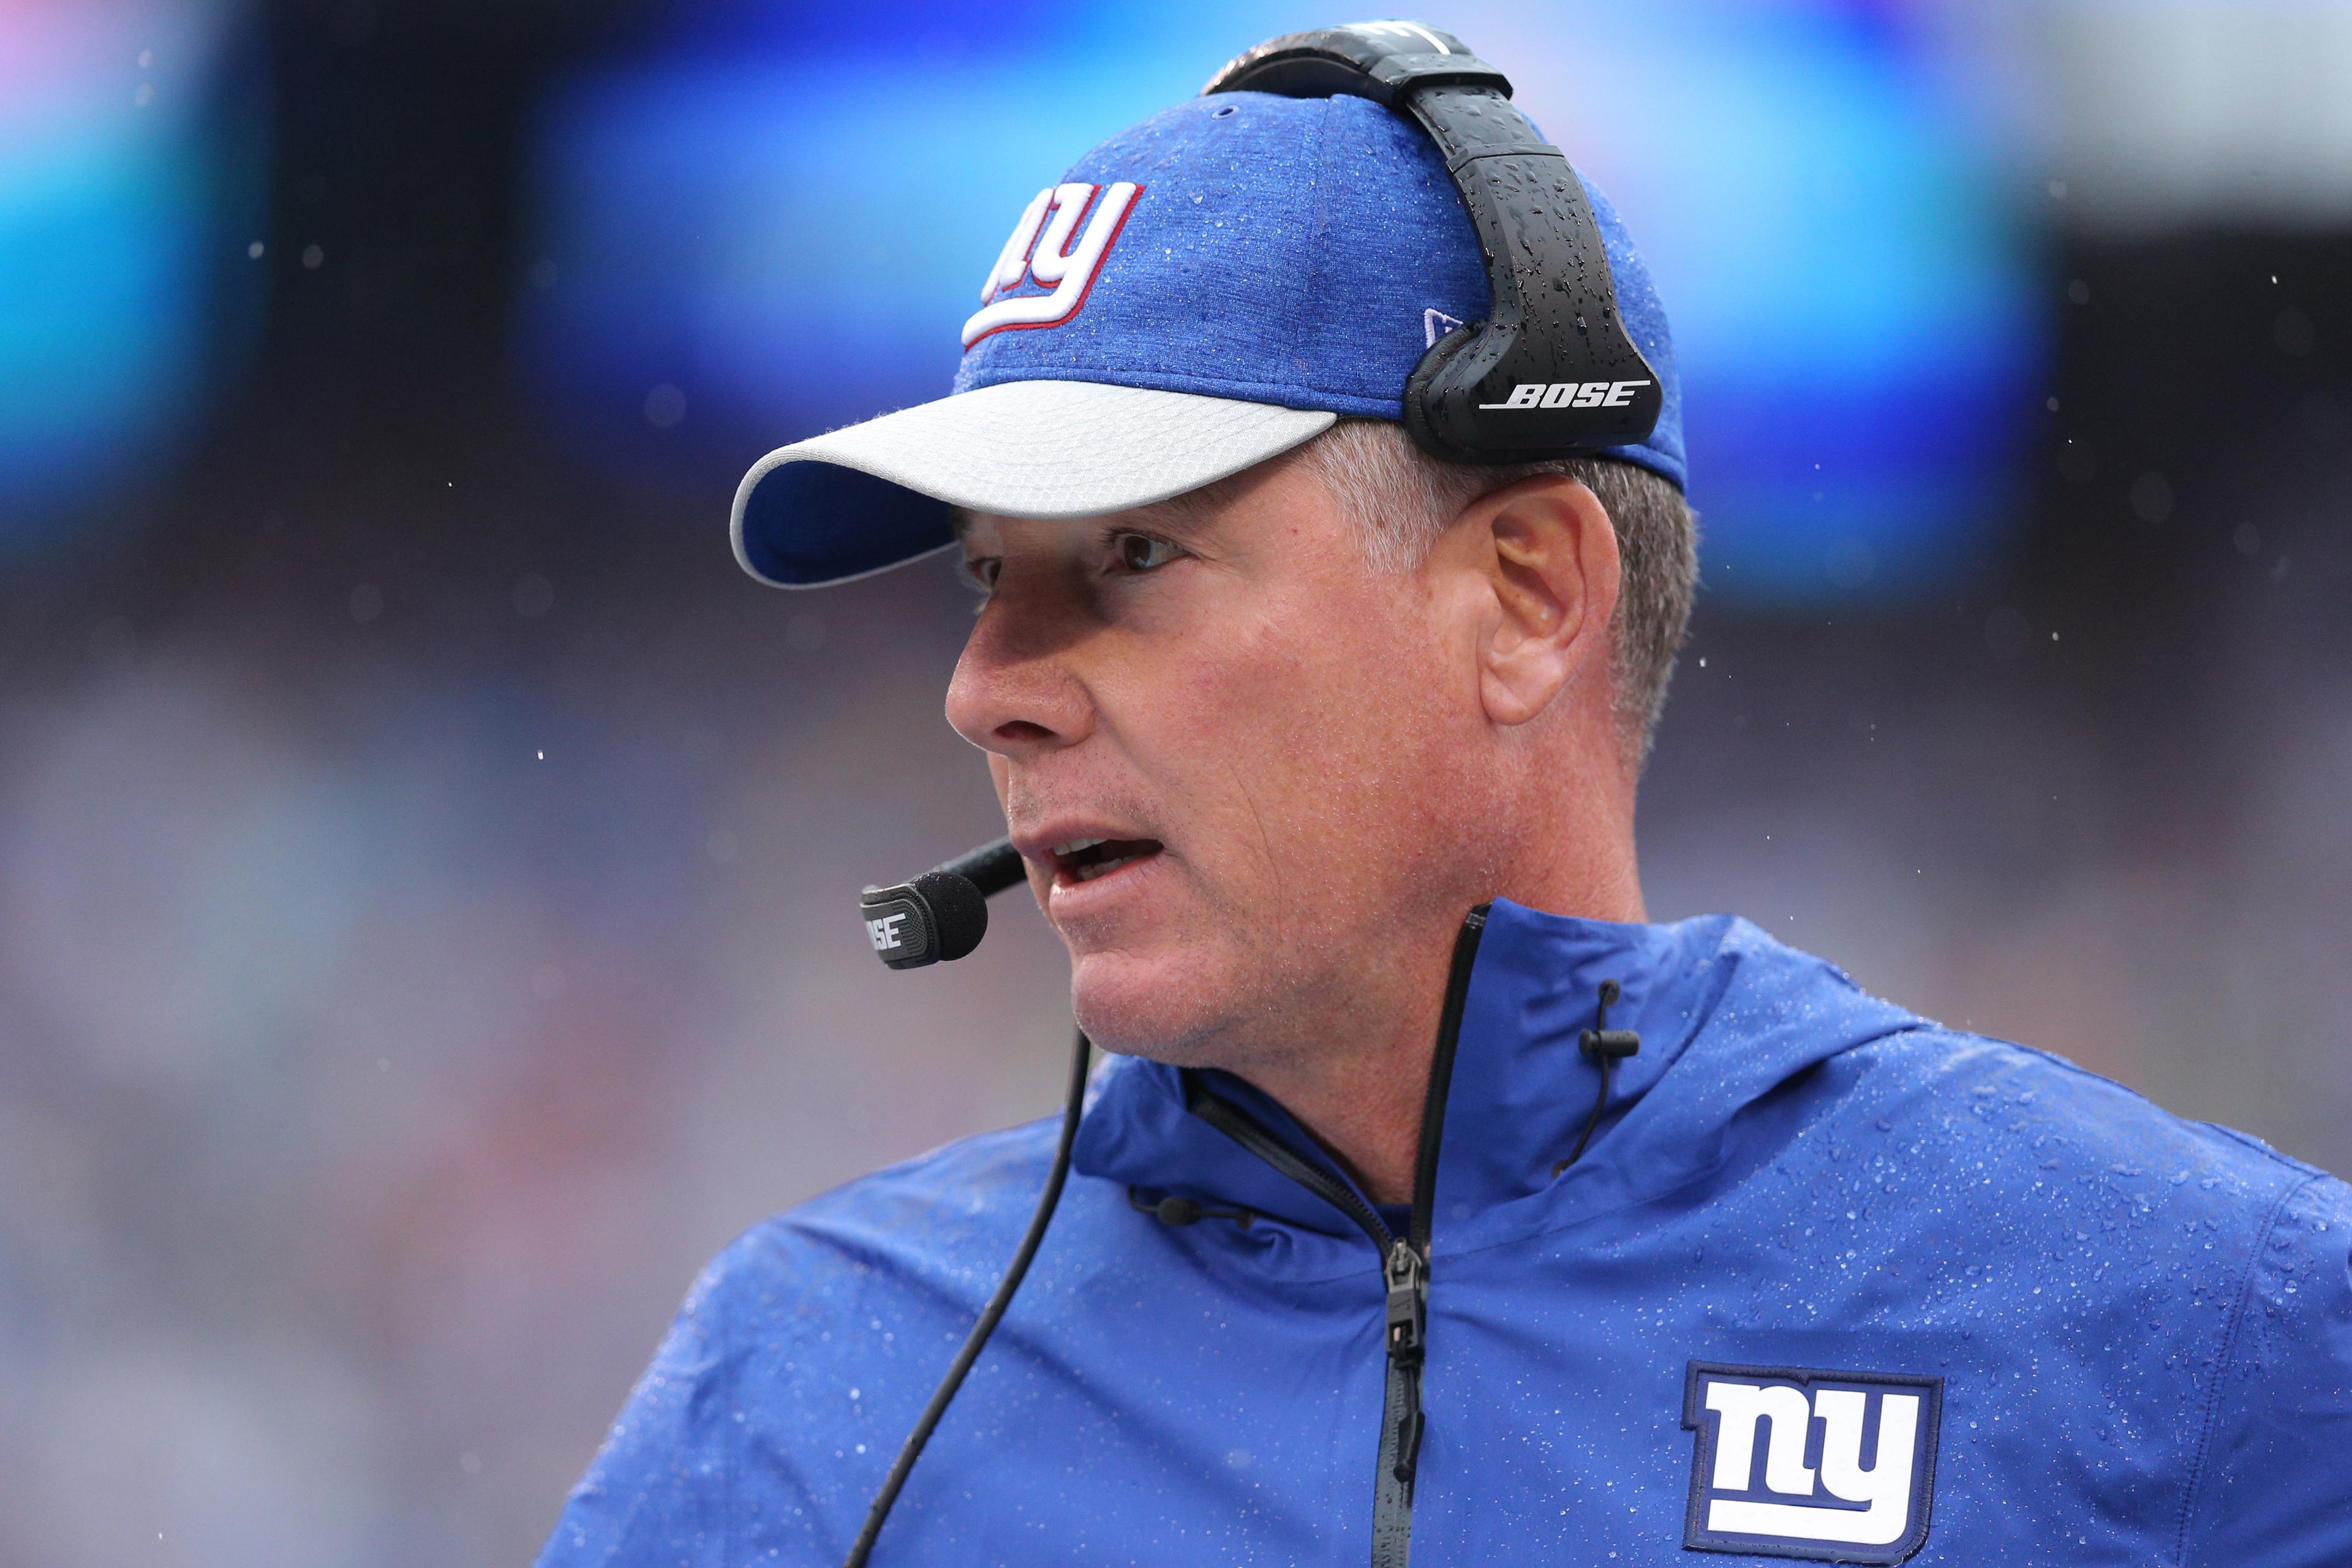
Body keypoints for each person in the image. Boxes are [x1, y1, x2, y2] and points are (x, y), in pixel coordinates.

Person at [538, 26, 2352, 1568]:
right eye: (982, 581)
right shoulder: (791, 1394)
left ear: (1527, 598)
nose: (984, 690)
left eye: (1135, 557)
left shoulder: (2193, 1324)